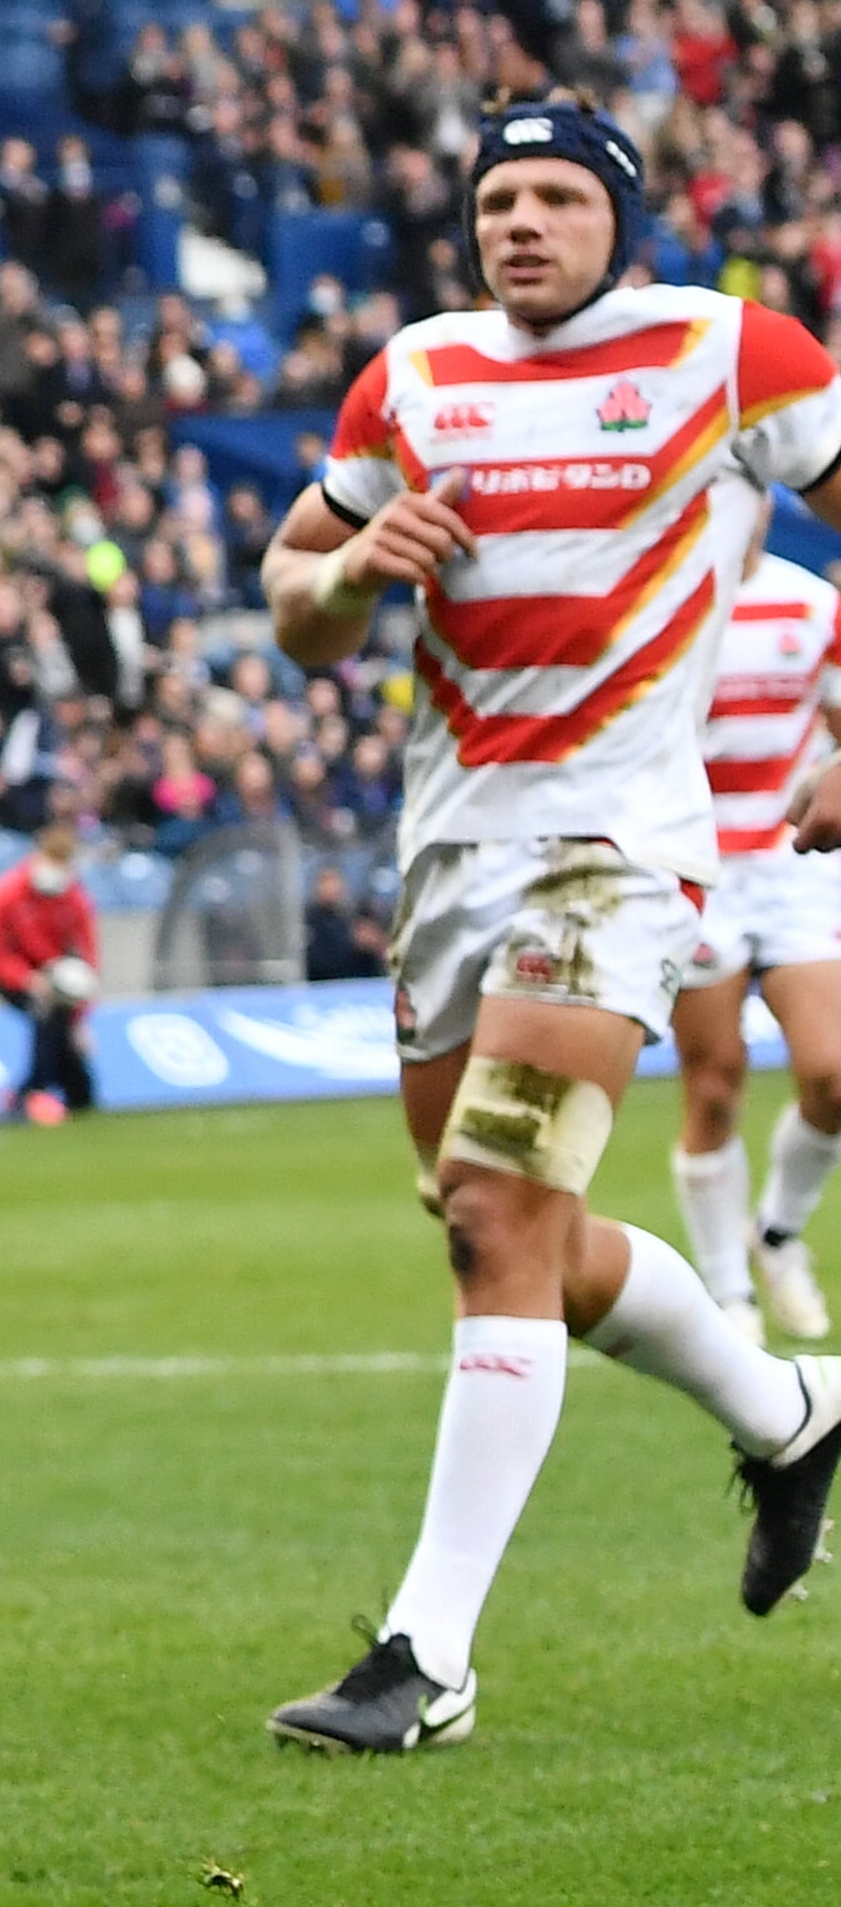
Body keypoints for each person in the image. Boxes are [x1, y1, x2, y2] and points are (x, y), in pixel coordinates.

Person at [257, 104, 841, 1753]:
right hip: (451, 860)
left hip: (618, 857)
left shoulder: (735, 352)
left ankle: (422, 1653)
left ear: (623, 219)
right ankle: (790, 1405)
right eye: (497, 196)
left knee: (497, 1218)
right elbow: (296, 608)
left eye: (560, 195)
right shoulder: (414, 376)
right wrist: (357, 560)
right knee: (507, 1227)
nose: (522, 220)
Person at [670, 527, 841, 1342]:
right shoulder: (658, 597)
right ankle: (729, 1291)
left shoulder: (812, 605)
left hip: (792, 866)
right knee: (712, 1083)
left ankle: (774, 1234)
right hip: (693, 869)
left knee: (834, 1076)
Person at [0, 817, 102, 1122]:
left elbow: (87, 960)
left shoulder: (74, 899)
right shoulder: (9, 893)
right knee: (45, 1012)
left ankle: (74, 1092)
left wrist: (80, 1017)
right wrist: (27, 979)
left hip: (58, 976)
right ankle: (33, 1093)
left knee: (61, 1024)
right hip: (15, 974)